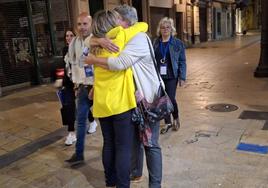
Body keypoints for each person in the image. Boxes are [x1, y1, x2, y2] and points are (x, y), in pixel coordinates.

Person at [85, 5, 163, 188]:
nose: (116, 22)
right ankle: (127, 179)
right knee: (125, 147)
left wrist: (96, 48)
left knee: (145, 144)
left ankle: (142, 183)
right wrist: (100, 40)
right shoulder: (118, 38)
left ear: (125, 23)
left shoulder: (133, 39)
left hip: (139, 100)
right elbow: (141, 25)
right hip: (122, 103)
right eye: (113, 19)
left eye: (117, 18)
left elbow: (119, 61)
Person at [64, 12, 97, 164]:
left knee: (107, 122)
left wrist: (96, 87)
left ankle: (113, 155)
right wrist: (76, 83)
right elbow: (75, 64)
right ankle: (79, 154)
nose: (82, 27)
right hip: (83, 87)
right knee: (81, 121)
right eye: (79, 24)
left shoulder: (97, 40)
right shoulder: (74, 43)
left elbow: (101, 66)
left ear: (91, 24)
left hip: (98, 87)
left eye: (85, 24)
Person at [153, 17, 186, 134]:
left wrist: (182, 77)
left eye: (168, 27)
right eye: (163, 27)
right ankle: (168, 122)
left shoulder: (177, 43)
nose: (165, 29)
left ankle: (176, 117)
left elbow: (182, 61)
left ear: (171, 29)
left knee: (170, 99)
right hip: (158, 76)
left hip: (172, 75)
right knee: (162, 99)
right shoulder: (155, 43)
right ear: (159, 29)